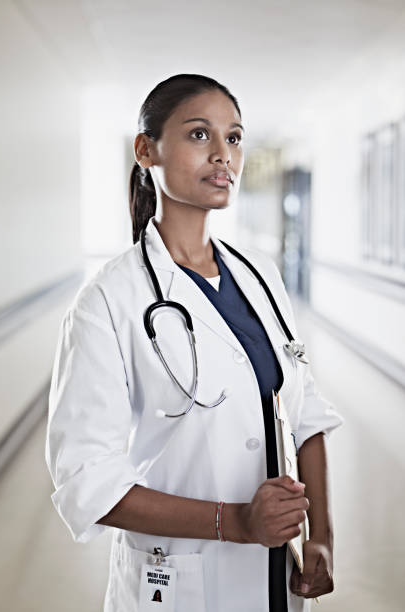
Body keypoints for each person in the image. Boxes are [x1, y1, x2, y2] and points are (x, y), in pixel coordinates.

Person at [45, 74, 344, 612]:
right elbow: (87, 482)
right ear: (146, 150)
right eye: (200, 135)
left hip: (275, 577)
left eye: (234, 138)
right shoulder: (108, 301)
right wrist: (236, 522)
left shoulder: (260, 277)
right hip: (179, 585)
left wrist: (320, 533)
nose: (223, 155)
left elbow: (306, 416)